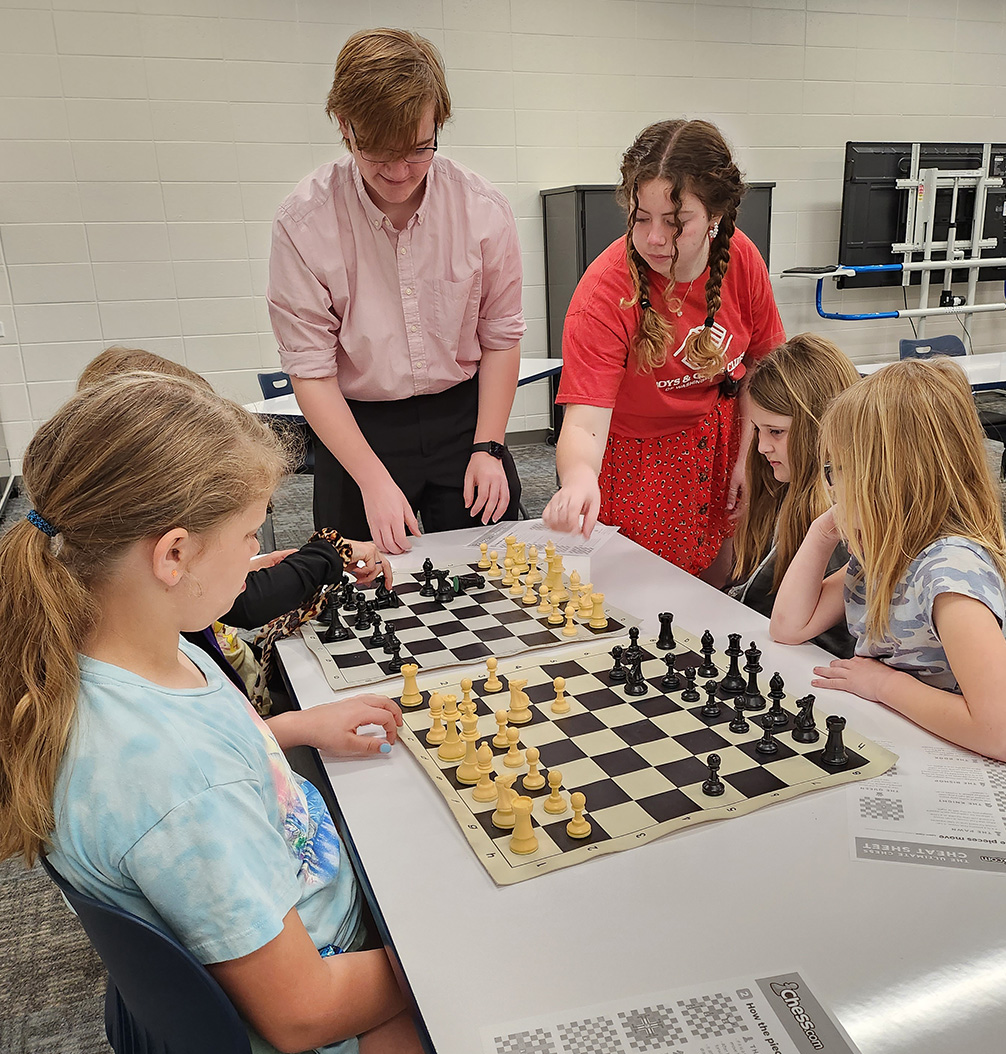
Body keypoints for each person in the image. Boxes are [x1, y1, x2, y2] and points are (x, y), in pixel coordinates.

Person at [0, 376, 439, 1054]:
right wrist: (448, 949)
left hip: (301, 923)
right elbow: (306, 1012)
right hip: (312, 1050)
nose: (258, 554)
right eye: (249, 535)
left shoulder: (124, 652)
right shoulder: (181, 780)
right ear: (173, 556)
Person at [268, 28, 526, 554]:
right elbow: (311, 371)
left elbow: (500, 337)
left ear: (439, 122)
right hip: (358, 427)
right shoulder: (304, 222)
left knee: (494, 576)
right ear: (345, 127)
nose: (398, 172)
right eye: (378, 152)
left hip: (464, 418)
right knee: (358, 586)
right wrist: (371, 478)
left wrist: (489, 446)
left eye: (417, 150)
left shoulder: (482, 209)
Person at [77, 346, 392, 715]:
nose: (254, 545)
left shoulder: (110, 573)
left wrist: (247, 566)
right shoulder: (148, 679)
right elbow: (246, 607)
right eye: (248, 534)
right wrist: (329, 552)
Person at [542, 118, 785, 576]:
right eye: (641, 218)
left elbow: (763, 367)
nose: (655, 237)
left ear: (714, 215)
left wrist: (748, 452)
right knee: (647, 593)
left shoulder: (741, 257)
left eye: (675, 222)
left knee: (718, 583)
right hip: (642, 463)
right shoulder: (603, 295)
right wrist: (577, 479)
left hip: (722, 439)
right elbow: (585, 421)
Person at [769, 357, 1006, 764]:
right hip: (899, 734)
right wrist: (822, 532)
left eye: (840, 470)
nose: (832, 485)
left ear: (892, 478)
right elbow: (789, 627)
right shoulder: (884, 552)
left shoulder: (947, 579)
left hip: (958, 761)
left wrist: (882, 685)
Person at [726, 334, 859, 658]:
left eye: (776, 432)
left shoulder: (841, 517)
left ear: (820, 427)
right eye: (758, 430)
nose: (761, 447)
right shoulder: (778, 487)